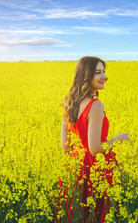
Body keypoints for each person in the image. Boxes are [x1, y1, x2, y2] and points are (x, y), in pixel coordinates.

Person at [55, 56, 132, 223]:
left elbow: (65, 146)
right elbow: (95, 148)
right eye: (98, 72)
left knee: (75, 214)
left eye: (103, 71)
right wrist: (118, 139)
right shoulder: (96, 106)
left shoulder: (69, 103)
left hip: (74, 168)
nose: (104, 76)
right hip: (94, 170)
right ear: (86, 76)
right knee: (94, 215)